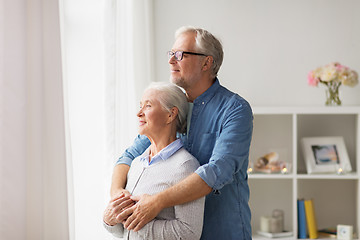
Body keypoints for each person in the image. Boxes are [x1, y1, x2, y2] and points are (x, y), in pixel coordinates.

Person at [109, 26, 253, 239]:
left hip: (222, 232)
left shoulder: (235, 109)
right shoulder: (171, 108)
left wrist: (157, 202)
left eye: (180, 55)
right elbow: (128, 157)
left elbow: (216, 171)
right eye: (171, 54)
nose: (171, 60)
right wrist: (116, 197)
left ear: (207, 62)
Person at [103, 82, 205, 239]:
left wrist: (134, 222)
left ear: (170, 114)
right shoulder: (137, 163)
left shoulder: (185, 166)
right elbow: (123, 232)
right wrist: (109, 220)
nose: (139, 113)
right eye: (140, 105)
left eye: (148, 106)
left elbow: (189, 233)